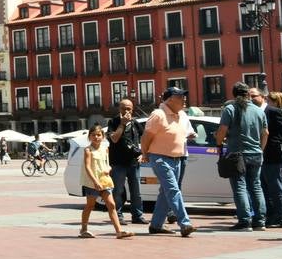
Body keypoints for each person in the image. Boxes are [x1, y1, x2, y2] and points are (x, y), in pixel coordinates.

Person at [140, 86, 196, 237]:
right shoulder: (158, 114)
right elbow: (146, 137)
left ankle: (156, 225)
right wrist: (145, 153)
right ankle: (185, 223)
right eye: (180, 97)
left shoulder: (182, 114)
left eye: (184, 96)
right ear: (170, 99)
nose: (184, 99)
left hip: (178, 158)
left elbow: (185, 132)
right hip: (159, 157)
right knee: (172, 190)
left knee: (166, 192)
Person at [216, 82, 268, 231]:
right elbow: (266, 133)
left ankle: (245, 221)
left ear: (234, 94)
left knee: (240, 187)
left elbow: (222, 130)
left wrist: (219, 143)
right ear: (248, 94)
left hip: (238, 154)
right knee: (256, 187)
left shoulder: (230, 109)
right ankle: (260, 221)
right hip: (256, 153)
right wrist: (261, 150)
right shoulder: (259, 111)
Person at [78, 125, 133, 239]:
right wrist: (95, 181)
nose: (96, 137)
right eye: (93, 135)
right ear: (89, 136)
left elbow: (107, 163)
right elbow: (87, 167)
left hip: (105, 180)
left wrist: (108, 168)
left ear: (103, 137)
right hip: (92, 182)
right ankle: (83, 229)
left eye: (98, 135)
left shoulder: (105, 148)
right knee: (90, 205)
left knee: (111, 204)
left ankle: (119, 231)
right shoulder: (88, 150)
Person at [107, 98, 146, 224]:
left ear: (132, 109)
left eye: (129, 108)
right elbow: (114, 139)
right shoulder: (113, 122)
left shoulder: (135, 123)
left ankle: (137, 216)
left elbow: (145, 138)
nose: (126, 111)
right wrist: (122, 124)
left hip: (133, 162)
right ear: (119, 109)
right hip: (118, 163)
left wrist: (143, 154)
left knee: (136, 191)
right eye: (123, 108)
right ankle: (118, 216)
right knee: (118, 190)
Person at [263, 91, 282, 229]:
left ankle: (281, 215)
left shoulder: (278, 112)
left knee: (278, 183)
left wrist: (275, 142)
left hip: (279, 151)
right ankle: (275, 214)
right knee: (276, 183)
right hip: (274, 151)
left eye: (269, 99)